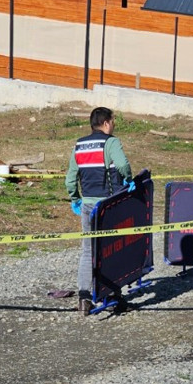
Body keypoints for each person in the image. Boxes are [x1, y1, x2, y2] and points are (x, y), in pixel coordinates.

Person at [65, 107, 134, 316]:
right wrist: (128, 180)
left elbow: (70, 178)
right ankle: (113, 294)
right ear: (106, 123)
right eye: (113, 121)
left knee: (88, 249)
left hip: (87, 205)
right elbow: (122, 164)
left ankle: (84, 296)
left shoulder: (80, 144)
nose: (113, 125)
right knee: (112, 248)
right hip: (108, 205)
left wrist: (75, 198)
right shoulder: (111, 142)